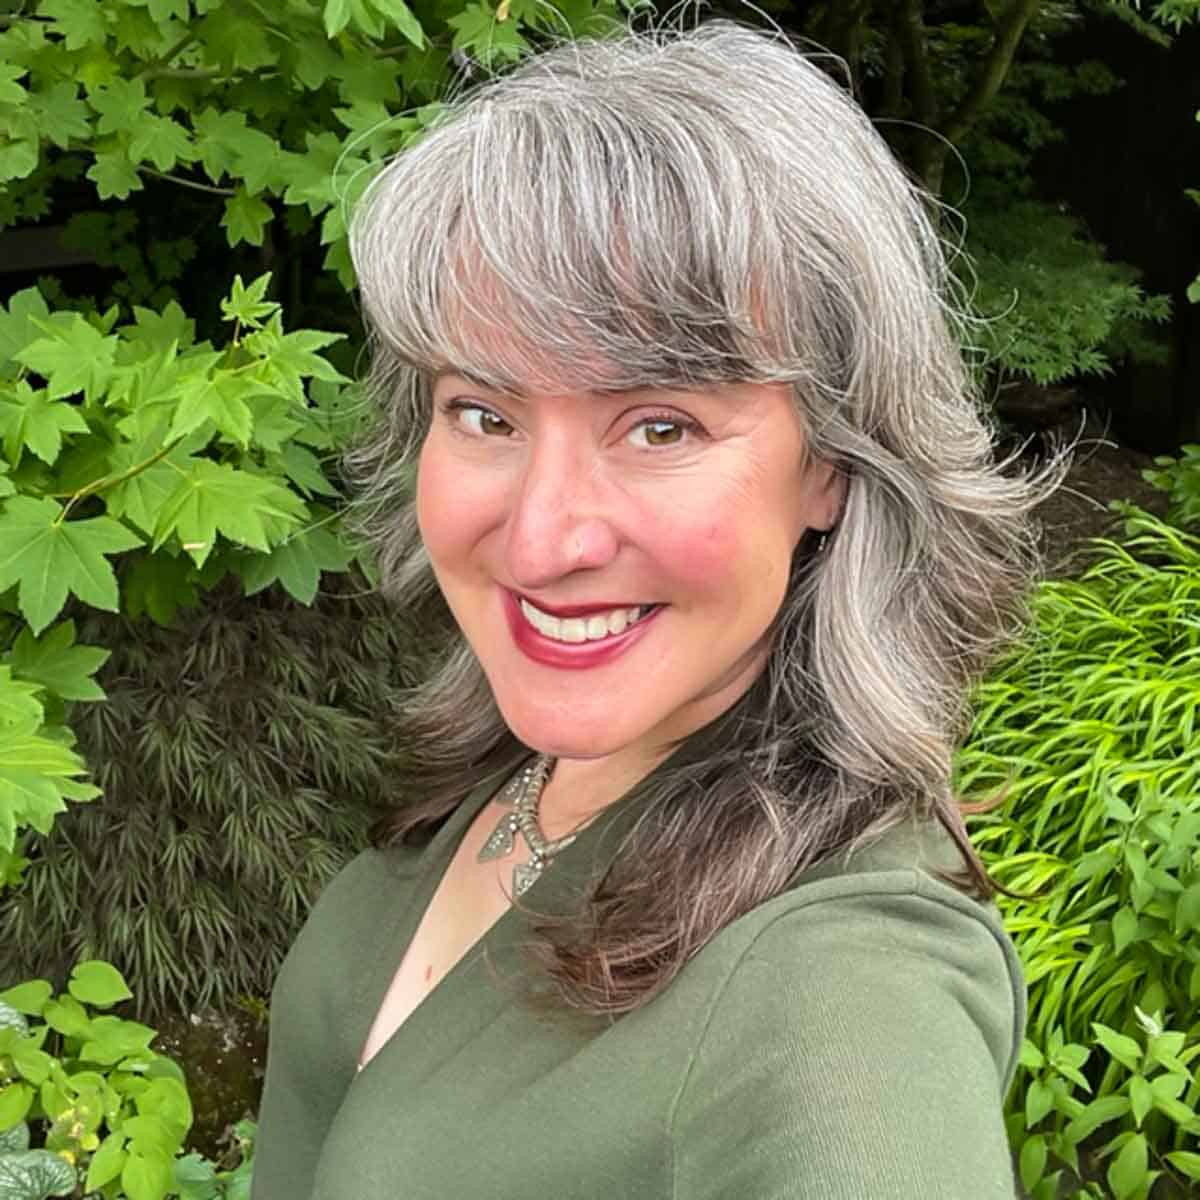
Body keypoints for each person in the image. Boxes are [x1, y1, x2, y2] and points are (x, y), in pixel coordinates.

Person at [252, 20, 1061, 1199]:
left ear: (830, 465)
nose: (541, 537)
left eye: (661, 426)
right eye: (485, 413)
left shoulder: (837, 988)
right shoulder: (521, 781)